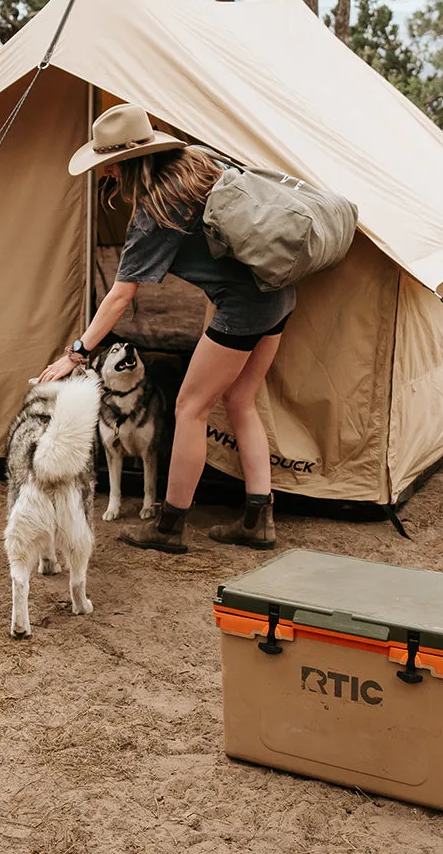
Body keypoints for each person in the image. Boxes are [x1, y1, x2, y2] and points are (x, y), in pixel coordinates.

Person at [38, 102, 295, 553]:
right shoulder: (200, 161)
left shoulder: (155, 210)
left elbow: (121, 295)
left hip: (243, 309)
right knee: (240, 401)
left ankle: (169, 526)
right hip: (280, 293)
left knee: (189, 408)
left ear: (128, 163)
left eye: (111, 167)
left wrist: (76, 352)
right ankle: (259, 519)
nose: (107, 177)